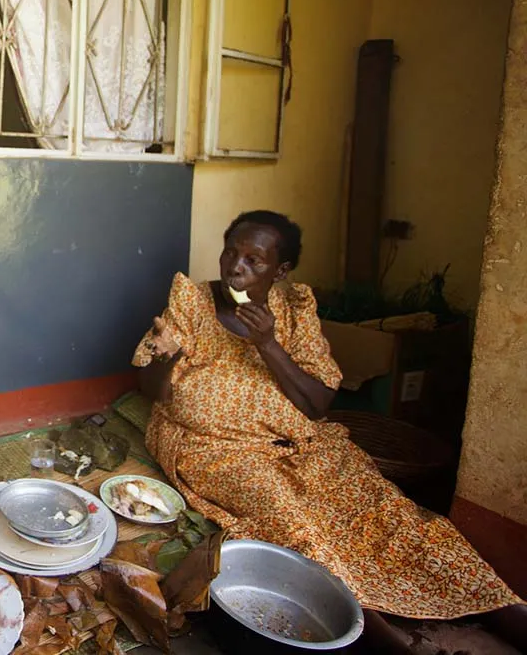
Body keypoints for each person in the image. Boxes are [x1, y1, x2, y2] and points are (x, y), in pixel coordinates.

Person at [134, 210, 526, 654]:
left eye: (254, 260)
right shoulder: (191, 305)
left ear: (280, 270)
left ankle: (505, 610)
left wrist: (268, 345)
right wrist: (166, 354)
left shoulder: (296, 314)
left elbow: (317, 404)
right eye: (231, 252)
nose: (235, 267)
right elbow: (151, 389)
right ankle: (379, 637)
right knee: (294, 524)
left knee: (389, 512)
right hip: (214, 449)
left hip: (302, 445)